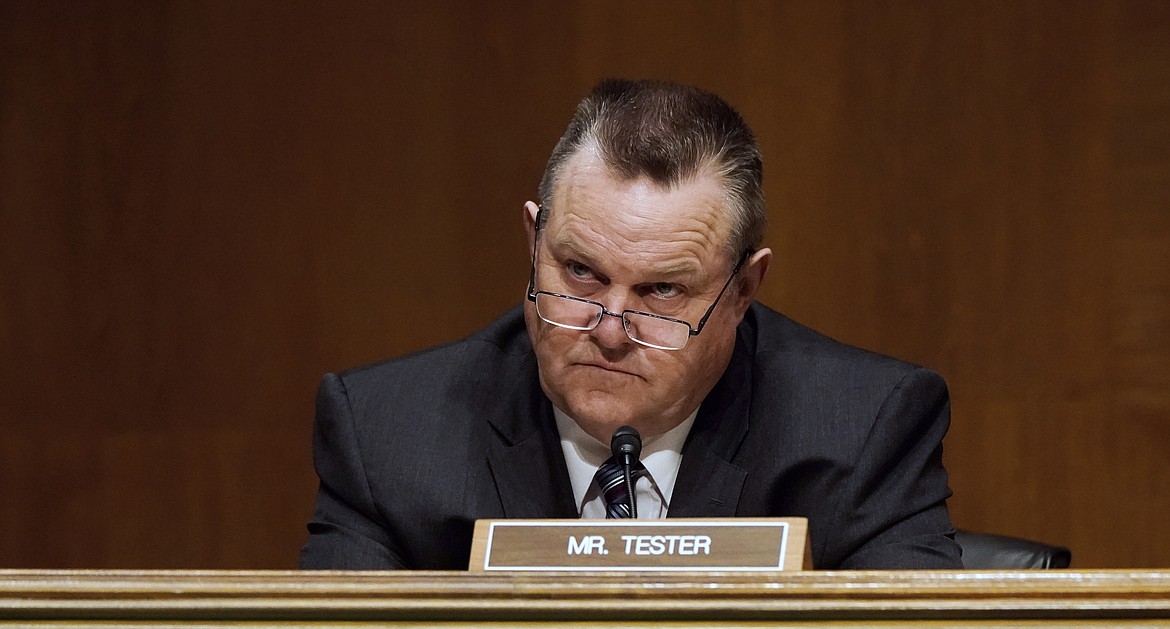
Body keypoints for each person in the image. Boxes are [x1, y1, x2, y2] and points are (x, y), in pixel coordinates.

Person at [300, 79, 962, 570]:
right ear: (534, 241)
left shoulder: (861, 430)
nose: (610, 329)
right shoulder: (389, 437)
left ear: (742, 290)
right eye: (581, 273)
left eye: (663, 289)